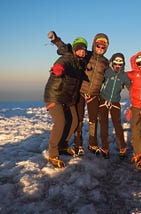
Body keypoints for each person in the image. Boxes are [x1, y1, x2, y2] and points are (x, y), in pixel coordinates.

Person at [44, 31, 88, 168]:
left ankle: (62, 145)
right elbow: (63, 63)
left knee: (74, 121)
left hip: (67, 98)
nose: (82, 52)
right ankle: (53, 153)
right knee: (60, 123)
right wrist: (58, 69)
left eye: (84, 50)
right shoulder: (68, 58)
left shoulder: (79, 62)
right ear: (75, 50)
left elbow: (63, 46)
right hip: (55, 96)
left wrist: (56, 40)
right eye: (79, 49)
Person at [74, 33, 109, 155]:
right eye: (98, 44)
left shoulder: (106, 62)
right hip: (80, 93)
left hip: (94, 95)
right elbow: (70, 54)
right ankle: (78, 144)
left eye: (103, 46)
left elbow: (108, 80)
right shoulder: (86, 55)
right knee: (78, 119)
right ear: (94, 44)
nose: (100, 47)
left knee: (93, 120)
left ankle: (92, 144)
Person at [99, 53, 131, 159]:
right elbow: (97, 82)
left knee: (117, 125)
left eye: (120, 64)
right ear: (112, 63)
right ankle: (105, 148)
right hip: (103, 99)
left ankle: (122, 147)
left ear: (123, 65)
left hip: (115, 101)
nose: (118, 66)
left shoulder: (124, 76)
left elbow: (131, 88)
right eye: (116, 64)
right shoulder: (107, 72)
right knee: (103, 125)